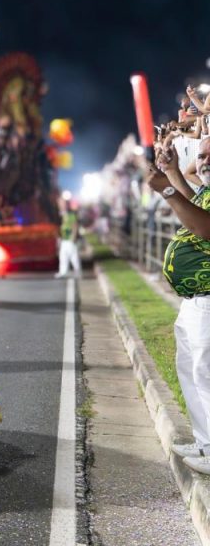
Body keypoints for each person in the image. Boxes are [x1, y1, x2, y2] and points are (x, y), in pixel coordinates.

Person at [154, 136, 210, 474]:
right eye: (202, 154)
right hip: (195, 302)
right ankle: (205, 444)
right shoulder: (206, 189)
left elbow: (204, 227)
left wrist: (167, 190)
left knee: (206, 374)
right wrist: (173, 170)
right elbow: (194, 205)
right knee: (190, 371)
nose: (204, 160)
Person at [56, 199, 81, 278]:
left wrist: (73, 236)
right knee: (63, 256)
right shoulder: (60, 214)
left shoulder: (70, 214)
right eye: (60, 203)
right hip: (64, 238)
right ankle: (63, 272)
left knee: (73, 256)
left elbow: (75, 225)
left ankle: (78, 272)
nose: (61, 205)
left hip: (70, 238)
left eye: (63, 203)